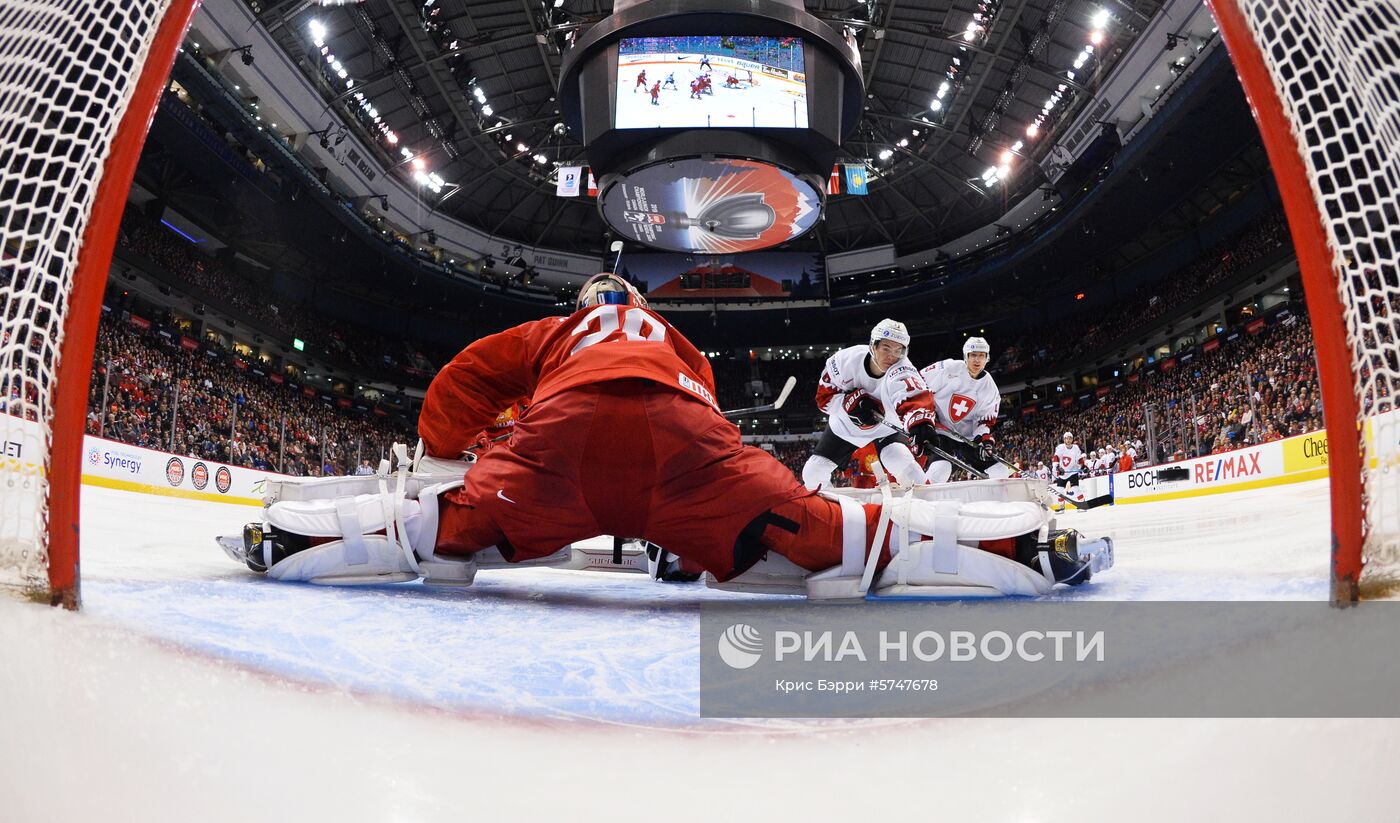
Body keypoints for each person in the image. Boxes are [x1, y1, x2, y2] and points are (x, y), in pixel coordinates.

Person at [229, 277, 1105, 597]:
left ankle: (292, 536)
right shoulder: (670, 337)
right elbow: (704, 410)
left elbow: (461, 381)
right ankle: (1021, 545)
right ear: (638, 309)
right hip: (685, 451)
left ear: (585, 310)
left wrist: (452, 457)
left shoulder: (560, 332)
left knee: (443, 525)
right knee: (828, 529)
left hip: (560, 451)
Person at [801, 319, 937, 492]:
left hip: (887, 429)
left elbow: (914, 398)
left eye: (898, 351)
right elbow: (823, 400)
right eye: (886, 348)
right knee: (813, 473)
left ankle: (931, 507)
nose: (892, 357)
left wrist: (922, 425)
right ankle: (834, 512)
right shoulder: (845, 361)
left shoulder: (903, 370)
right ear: (873, 346)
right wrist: (848, 404)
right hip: (846, 427)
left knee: (899, 460)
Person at [918, 336, 1007, 483]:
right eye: (973, 355)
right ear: (965, 356)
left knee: (1000, 471)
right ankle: (922, 500)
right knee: (940, 470)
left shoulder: (989, 387)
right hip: (942, 430)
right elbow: (919, 384)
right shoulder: (948, 368)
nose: (977, 360)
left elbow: (985, 419)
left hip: (968, 437)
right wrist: (924, 413)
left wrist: (984, 440)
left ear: (987, 358)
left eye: (981, 355)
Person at [1052, 431, 1085, 510]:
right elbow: (1056, 458)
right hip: (1063, 472)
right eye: (1066, 438)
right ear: (1064, 440)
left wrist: (1083, 467)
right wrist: (1057, 467)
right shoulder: (1060, 447)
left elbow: (1079, 460)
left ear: (1072, 439)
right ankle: (1061, 506)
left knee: (1075, 488)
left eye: (1070, 438)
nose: (1068, 440)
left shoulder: (1076, 448)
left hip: (1073, 471)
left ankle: (1083, 504)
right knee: (1059, 491)